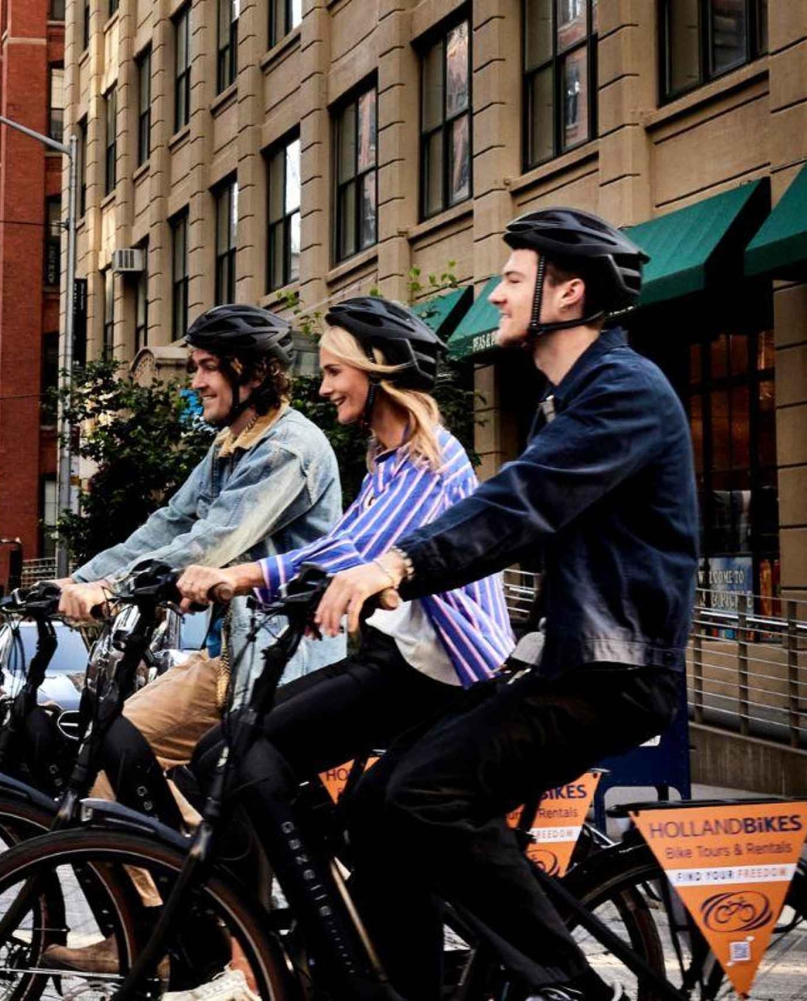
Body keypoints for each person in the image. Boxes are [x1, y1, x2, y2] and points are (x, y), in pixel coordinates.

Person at [332, 208, 697, 1001]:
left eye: (512, 280)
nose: (494, 295)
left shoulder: (624, 393)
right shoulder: (564, 399)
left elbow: (521, 503)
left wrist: (401, 561)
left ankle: (566, 987)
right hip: (568, 659)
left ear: (567, 294)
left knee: (424, 791)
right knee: (373, 799)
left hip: (616, 672)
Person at [176, 296, 515, 1001]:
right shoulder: (388, 462)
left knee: (240, 753)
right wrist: (239, 580)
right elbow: (336, 549)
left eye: (335, 372)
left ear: (378, 371)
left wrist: (238, 574)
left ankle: (302, 946)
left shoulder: (429, 460)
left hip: (441, 673)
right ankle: (325, 939)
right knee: (252, 766)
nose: (324, 387)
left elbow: (354, 552)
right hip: (402, 663)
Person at [39, 303, 344, 980]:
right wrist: (78, 581)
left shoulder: (290, 448)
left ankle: (227, 935)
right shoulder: (227, 447)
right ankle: (147, 934)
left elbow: (214, 542)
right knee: (102, 757)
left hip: (286, 665)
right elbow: (166, 524)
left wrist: (112, 591)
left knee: (227, 785)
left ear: (251, 374)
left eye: (210, 368)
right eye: (197, 365)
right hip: (230, 658)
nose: (197, 381)